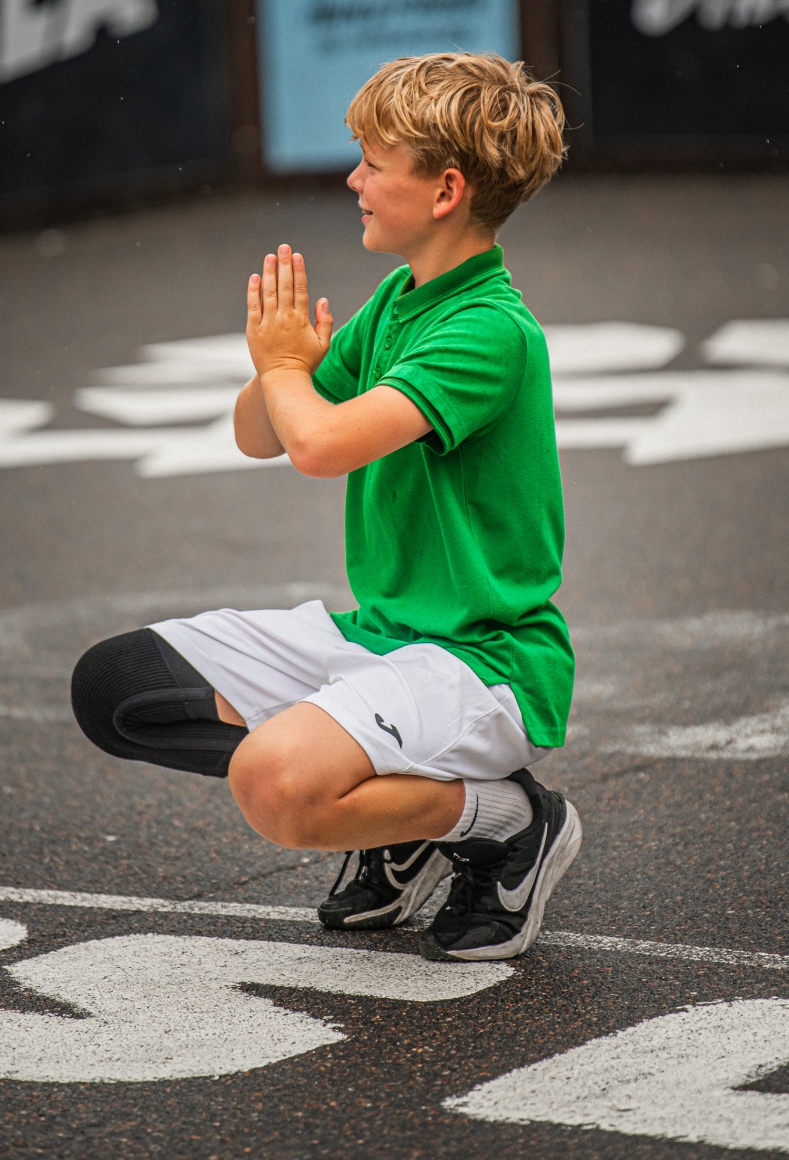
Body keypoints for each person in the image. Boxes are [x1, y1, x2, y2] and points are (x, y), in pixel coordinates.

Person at [71, 51, 580, 962]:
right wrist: (282, 370)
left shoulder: (488, 330)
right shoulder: (398, 302)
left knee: (277, 787)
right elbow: (260, 435)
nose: (354, 180)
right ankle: (395, 815)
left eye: (374, 165)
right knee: (118, 689)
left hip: (482, 664)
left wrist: (283, 367)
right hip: (382, 636)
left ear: (445, 192)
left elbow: (318, 446)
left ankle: (506, 821)